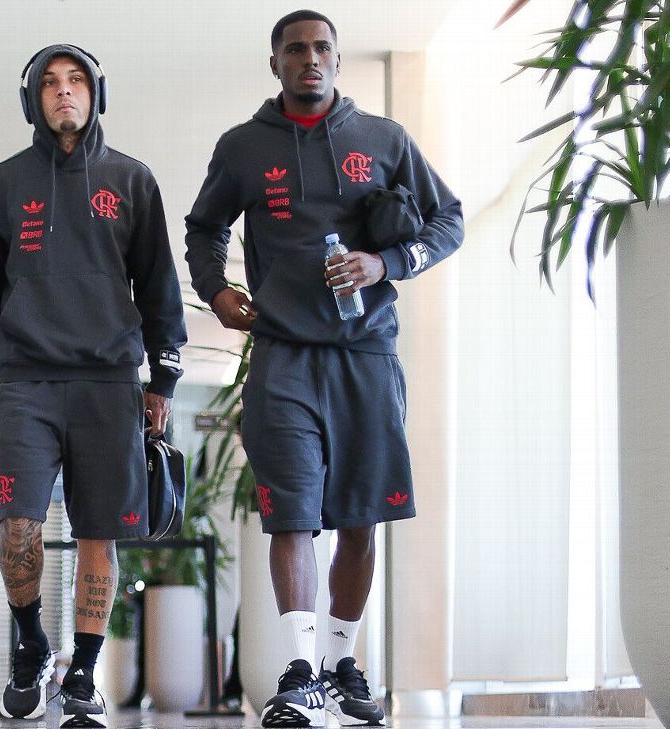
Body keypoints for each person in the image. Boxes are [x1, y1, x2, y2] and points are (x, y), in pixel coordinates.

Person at [185, 9, 464, 728]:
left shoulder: (385, 140)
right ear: (275, 63)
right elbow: (203, 226)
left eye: (321, 49)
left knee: (361, 517)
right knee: (292, 514)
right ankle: (300, 669)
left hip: (367, 354)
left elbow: (449, 220)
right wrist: (215, 289)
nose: (310, 59)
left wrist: (386, 261)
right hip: (281, 353)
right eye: (295, 50)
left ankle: (342, 663)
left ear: (338, 61)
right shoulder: (245, 147)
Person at [0, 44, 187, 728]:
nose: (63, 93)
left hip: (111, 382)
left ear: (96, 94)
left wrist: (163, 376)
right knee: (16, 528)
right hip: (22, 381)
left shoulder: (133, 181)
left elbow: (160, 287)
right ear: (32, 100)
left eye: (76, 81)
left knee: (97, 536)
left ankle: (81, 674)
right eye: (50, 84)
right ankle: (30, 643)